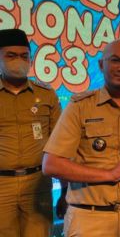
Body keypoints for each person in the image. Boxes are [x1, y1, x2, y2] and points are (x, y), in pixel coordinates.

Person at [42, 39, 120, 237]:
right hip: (90, 219)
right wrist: (110, 174)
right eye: (116, 60)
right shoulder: (80, 106)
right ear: (101, 65)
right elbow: (51, 165)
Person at [0, 29, 61, 237]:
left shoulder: (46, 94)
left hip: (38, 185)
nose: (18, 60)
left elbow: (60, 145)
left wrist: (65, 190)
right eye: (11, 55)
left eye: (24, 56)